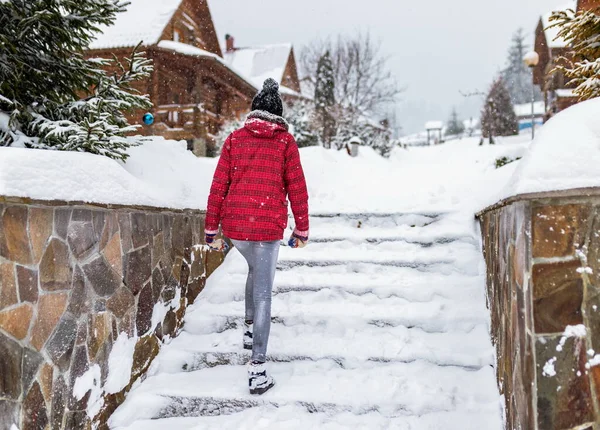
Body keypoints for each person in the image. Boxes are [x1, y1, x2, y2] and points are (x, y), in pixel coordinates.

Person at [204, 78, 310, 395]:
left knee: (254, 269)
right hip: (266, 226)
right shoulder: (285, 143)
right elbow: (297, 187)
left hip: (237, 227)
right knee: (264, 290)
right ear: (278, 115)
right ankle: (258, 370)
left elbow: (218, 185)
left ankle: (250, 329)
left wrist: (212, 228)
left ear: (253, 112)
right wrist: (301, 228)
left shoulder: (235, 140)